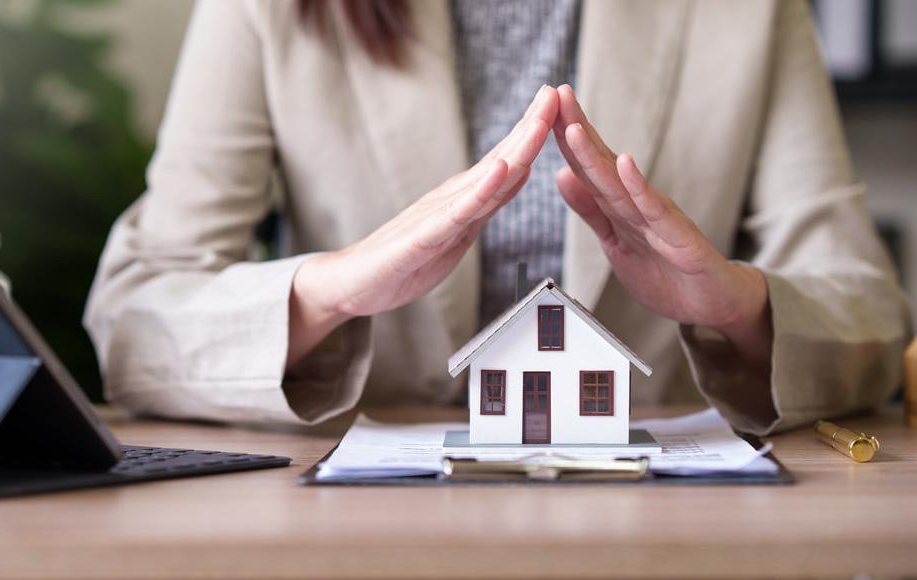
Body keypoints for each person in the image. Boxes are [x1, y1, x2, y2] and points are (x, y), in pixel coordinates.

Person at [84, 0, 912, 434]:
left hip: (656, 510)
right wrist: (330, 290)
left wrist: (732, 304)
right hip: (353, 518)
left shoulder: (750, 8)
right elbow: (135, 316)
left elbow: (870, 313)